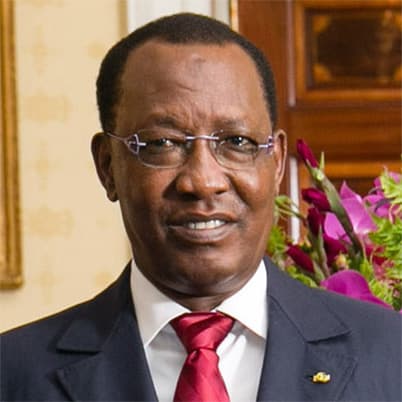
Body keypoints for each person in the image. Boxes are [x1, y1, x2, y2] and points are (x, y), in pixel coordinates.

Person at [1, 13, 400, 402]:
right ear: (107, 166)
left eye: (237, 142)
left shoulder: (390, 355)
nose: (203, 181)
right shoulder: (14, 374)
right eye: (162, 143)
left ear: (277, 162)